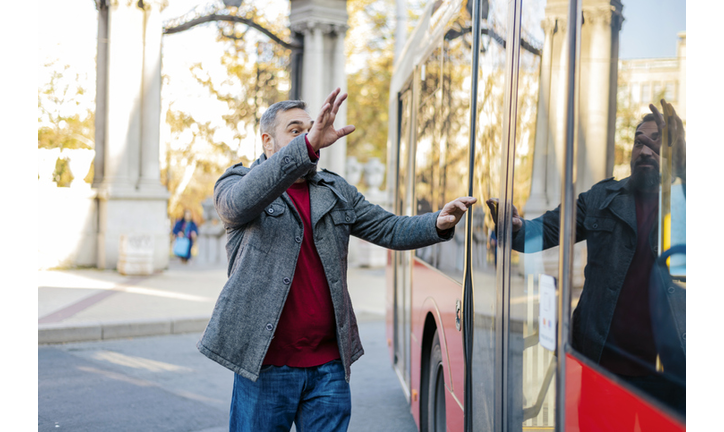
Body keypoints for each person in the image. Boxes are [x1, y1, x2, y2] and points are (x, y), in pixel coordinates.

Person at [197, 88, 477, 432]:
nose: (310, 135)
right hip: (266, 367)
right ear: (267, 142)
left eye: (311, 127)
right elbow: (238, 204)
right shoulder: (237, 183)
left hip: (328, 367)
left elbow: (388, 228)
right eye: (296, 131)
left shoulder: (335, 190)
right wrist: (308, 147)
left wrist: (436, 223)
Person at [486, 99, 686, 414]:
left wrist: (683, 170)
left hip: (670, 373)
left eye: (657, 142)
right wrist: (515, 227)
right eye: (638, 142)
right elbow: (542, 233)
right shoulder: (599, 199)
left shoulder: (686, 204)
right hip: (602, 364)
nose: (645, 150)